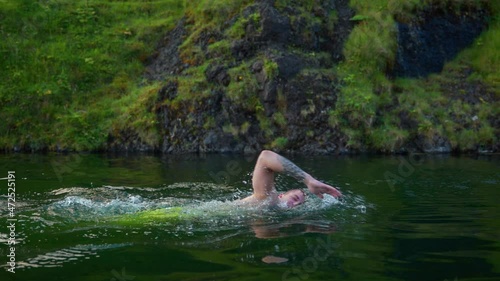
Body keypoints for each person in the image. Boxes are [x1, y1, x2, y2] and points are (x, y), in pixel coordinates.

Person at [241, 150, 342, 208]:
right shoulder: (269, 198)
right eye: (294, 199)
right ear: (280, 195)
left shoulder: (274, 210)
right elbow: (265, 157)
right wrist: (308, 180)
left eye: (299, 205)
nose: (295, 204)